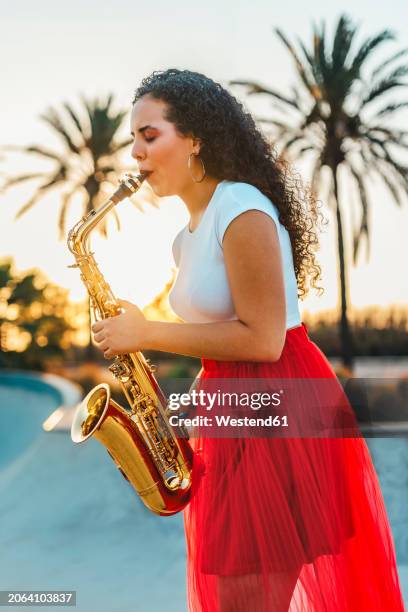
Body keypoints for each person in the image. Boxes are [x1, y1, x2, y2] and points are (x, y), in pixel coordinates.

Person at [91, 69, 404, 611]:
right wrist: (185, 410)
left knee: (247, 597)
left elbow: (263, 341)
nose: (136, 154)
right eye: (132, 139)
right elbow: (217, 341)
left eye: (150, 135)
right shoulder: (183, 241)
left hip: (279, 411)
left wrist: (146, 333)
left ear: (194, 138)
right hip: (232, 410)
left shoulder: (241, 207)